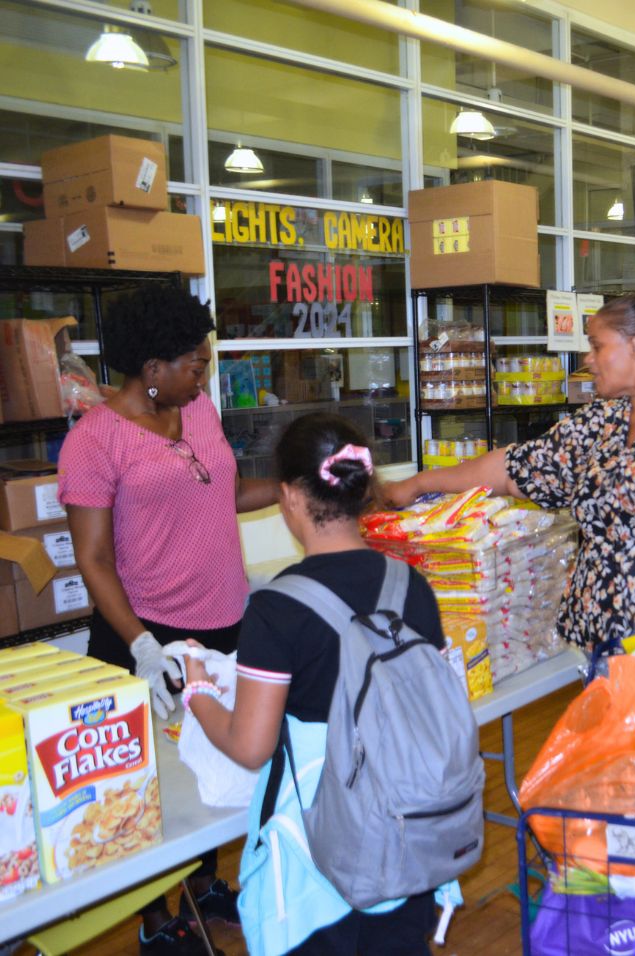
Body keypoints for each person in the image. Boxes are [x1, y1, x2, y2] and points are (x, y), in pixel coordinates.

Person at [57, 284, 278, 956]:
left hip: (223, 626)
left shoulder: (199, 411)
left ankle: (205, 884)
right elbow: (94, 560)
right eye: (194, 363)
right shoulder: (94, 442)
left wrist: (299, 487)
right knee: (151, 784)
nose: (203, 374)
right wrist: (142, 647)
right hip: (145, 633)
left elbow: (225, 494)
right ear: (150, 370)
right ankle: (157, 914)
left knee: (213, 767)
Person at [388, 289, 635, 647]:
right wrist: (417, 484)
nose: (588, 358)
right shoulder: (597, 424)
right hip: (616, 648)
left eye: (597, 346)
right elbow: (510, 470)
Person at [180, 414, 442, 954]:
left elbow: (250, 747)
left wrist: (199, 692)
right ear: (364, 490)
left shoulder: (278, 607)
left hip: (318, 859)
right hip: (407, 843)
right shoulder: (411, 585)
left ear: (291, 498)